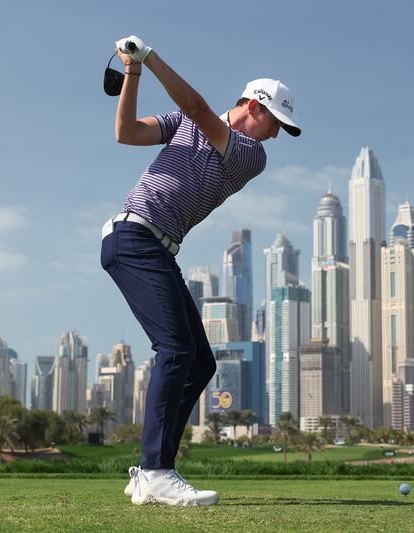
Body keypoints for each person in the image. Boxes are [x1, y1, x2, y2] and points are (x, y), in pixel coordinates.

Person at [100, 35, 301, 506]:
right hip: (134, 237)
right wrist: (133, 71)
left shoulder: (252, 156)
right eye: (276, 122)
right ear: (255, 106)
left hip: (155, 247)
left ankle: (151, 470)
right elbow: (126, 132)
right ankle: (156, 471)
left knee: (199, 361)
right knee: (175, 348)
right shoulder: (185, 125)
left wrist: (149, 60)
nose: (276, 135)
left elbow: (196, 106)